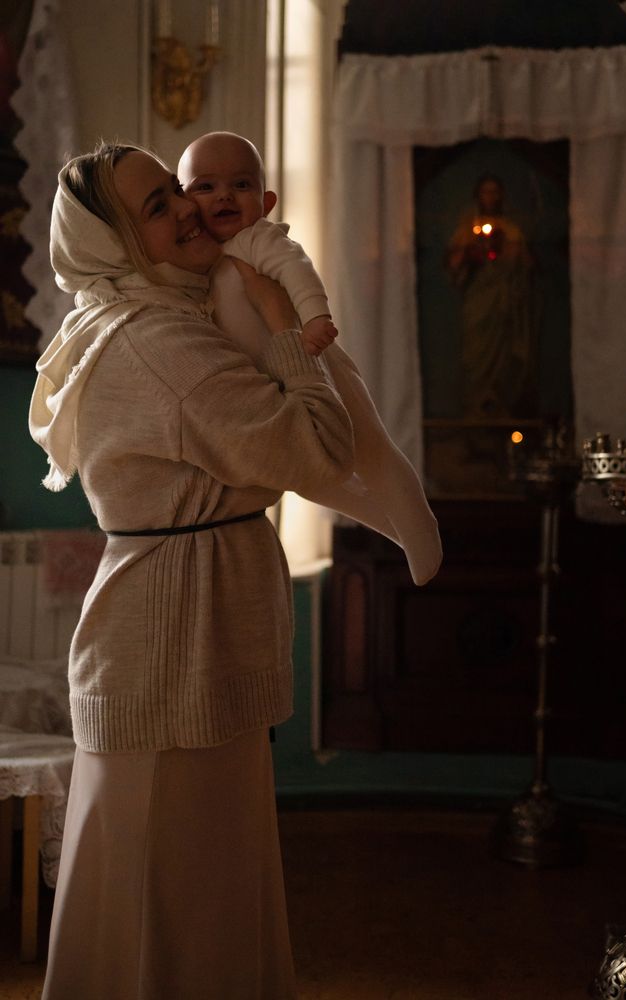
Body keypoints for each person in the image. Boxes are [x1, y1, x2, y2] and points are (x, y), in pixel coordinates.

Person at [29, 141, 358, 999]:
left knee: (182, 891)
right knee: (179, 905)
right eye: (157, 206)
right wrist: (284, 325)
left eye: (174, 190)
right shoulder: (160, 342)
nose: (187, 208)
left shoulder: (139, 319)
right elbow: (321, 448)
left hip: (172, 636)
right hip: (177, 651)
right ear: (115, 245)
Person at [178, 131, 442, 587]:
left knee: (373, 450)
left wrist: (317, 317)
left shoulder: (256, 240)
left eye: (240, 185)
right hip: (275, 389)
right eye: (206, 186)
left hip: (317, 362)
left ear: (266, 202)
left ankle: (422, 531)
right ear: (185, 203)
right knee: (310, 477)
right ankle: (393, 529)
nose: (223, 195)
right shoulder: (195, 263)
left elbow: (296, 270)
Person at [446, 173, 536, 418]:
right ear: (478, 195)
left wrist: (505, 250)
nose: (490, 197)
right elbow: (454, 267)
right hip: (478, 302)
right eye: (486, 191)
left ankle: (502, 406)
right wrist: (470, 253)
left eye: (495, 192)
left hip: (503, 303)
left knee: (504, 358)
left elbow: (525, 267)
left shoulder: (511, 230)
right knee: (476, 356)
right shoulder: (467, 229)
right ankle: (475, 408)